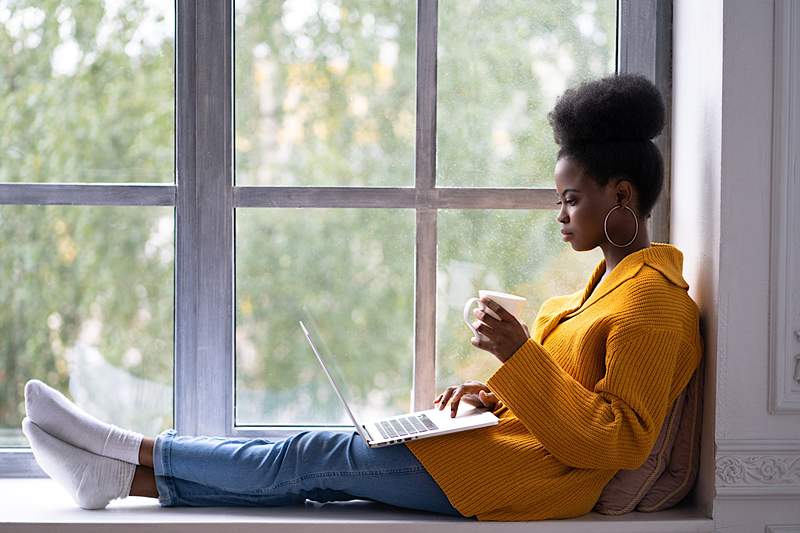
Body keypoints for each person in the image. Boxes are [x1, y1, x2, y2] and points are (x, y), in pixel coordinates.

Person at [21, 73, 702, 521]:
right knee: (311, 459)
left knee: (311, 455)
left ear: (621, 196)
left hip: (521, 480)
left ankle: (122, 447)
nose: (560, 214)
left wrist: (519, 355)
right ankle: (117, 475)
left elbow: (621, 441)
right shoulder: (602, 285)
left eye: (571, 199)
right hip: (498, 448)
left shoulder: (653, 302)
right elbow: (564, 392)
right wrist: (486, 393)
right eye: (559, 198)